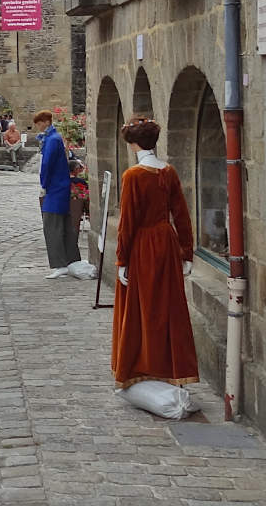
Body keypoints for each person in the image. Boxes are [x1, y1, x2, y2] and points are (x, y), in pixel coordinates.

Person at [112, 117, 199, 390]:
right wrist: (186, 252)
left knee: (143, 308)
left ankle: (142, 365)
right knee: (169, 306)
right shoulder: (168, 171)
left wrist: (122, 259)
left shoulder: (133, 175)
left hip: (143, 246)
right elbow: (182, 216)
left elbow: (128, 222)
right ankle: (170, 368)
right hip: (167, 243)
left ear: (134, 143)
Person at [33, 108, 77, 278]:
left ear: (45, 122)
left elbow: (47, 165)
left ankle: (60, 264)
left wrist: (43, 184)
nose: (37, 127)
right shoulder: (55, 138)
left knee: (51, 226)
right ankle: (71, 260)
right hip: (61, 187)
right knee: (64, 225)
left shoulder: (51, 140)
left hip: (55, 188)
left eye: (38, 123)